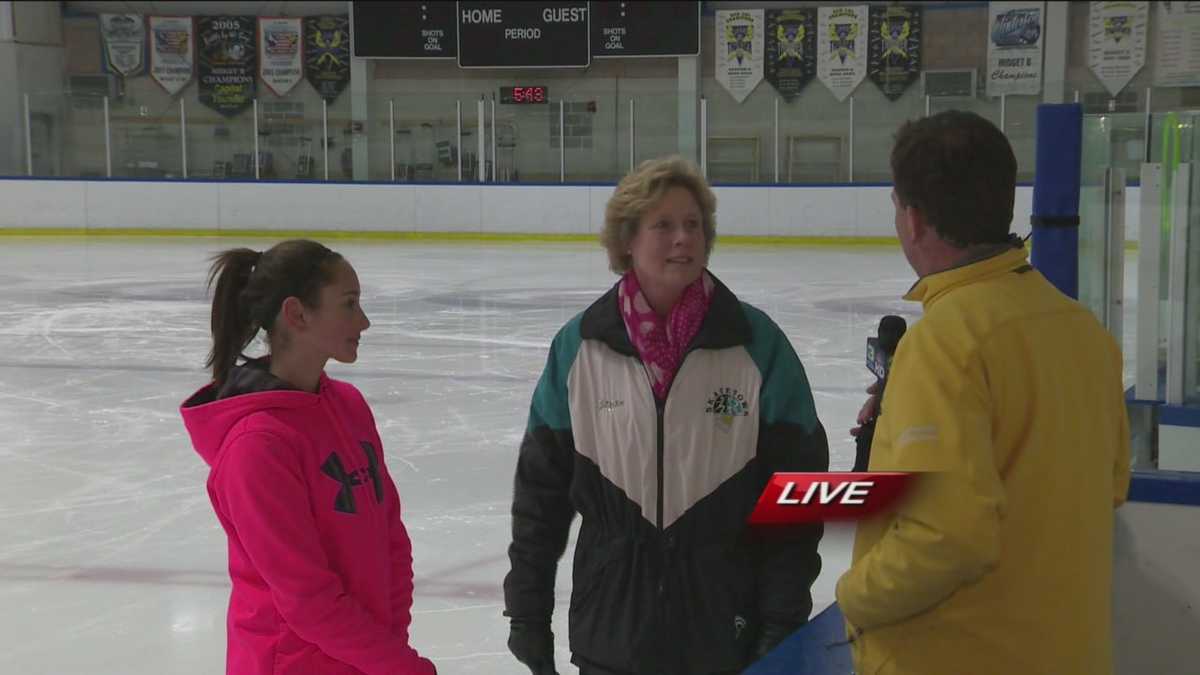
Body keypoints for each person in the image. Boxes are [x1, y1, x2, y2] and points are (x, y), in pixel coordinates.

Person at [503, 157, 829, 675]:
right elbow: (540, 497)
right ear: (627, 240)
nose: (684, 238)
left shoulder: (758, 345)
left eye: (694, 224)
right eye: (664, 225)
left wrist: (781, 621)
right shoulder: (579, 348)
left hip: (725, 634)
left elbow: (797, 499)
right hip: (611, 633)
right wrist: (527, 613)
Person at [836, 111, 1131, 675]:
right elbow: (1112, 484)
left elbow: (946, 539)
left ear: (915, 220)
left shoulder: (947, 342)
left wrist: (854, 597)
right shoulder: (1081, 329)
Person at [180, 240, 436, 675]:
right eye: (349, 304)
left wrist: (389, 651)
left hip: (363, 659)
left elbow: (391, 539)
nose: (364, 321)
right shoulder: (257, 448)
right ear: (297, 314)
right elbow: (307, 600)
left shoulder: (349, 405)